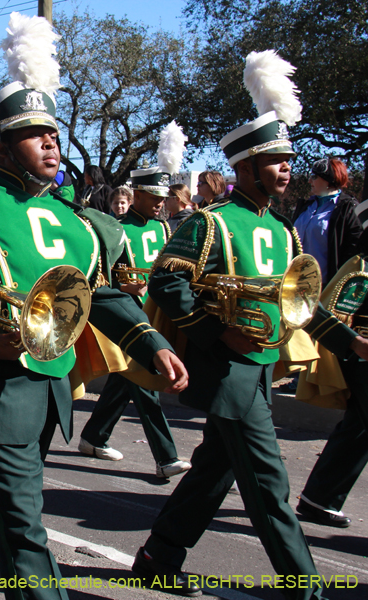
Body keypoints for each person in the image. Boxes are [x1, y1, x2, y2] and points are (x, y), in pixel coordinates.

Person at [0, 15, 187, 599]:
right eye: (35, 134)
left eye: (53, 133)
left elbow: (97, 292)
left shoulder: (77, 222)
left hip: (50, 388)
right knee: (26, 538)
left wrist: (147, 340)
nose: (52, 143)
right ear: (1, 145)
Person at [132, 51, 368, 599]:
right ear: (244, 167)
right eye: (276, 159)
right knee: (268, 482)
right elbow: (169, 282)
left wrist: (350, 340)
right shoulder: (212, 222)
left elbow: (301, 304)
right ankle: (303, 586)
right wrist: (220, 332)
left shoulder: (284, 232)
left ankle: (158, 555)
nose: (287, 167)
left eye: (289, 159)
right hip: (227, 369)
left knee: (215, 469)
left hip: (262, 367)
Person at [80, 155, 192, 479]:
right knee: (146, 380)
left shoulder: (164, 227)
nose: (159, 205)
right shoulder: (116, 228)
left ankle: (93, 436)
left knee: (124, 379)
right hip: (128, 315)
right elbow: (103, 280)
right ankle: (165, 456)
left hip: (156, 314)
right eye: (154, 199)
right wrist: (124, 284)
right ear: (137, 195)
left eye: (163, 199)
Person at [293, 254, 368, 528]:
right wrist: (353, 343)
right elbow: (336, 313)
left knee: (358, 429)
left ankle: (320, 497)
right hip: (363, 359)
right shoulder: (361, 271)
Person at [292, 157, 360, 287]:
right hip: (295, 282)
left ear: (329, 180)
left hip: (326, 285)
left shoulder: (348, 209)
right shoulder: (306, 206)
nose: (309, 180)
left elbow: (353, 252)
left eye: (314, 176)